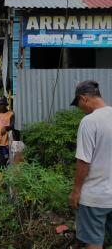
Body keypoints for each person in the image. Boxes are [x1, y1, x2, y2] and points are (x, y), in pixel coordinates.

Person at [68, 80, 112, 249]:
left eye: (78, 104)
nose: (80, 109)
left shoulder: (89, 121)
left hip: (94, 198)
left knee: (93, 242)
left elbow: (83, 161)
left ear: (83, 98)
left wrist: (76, 192)